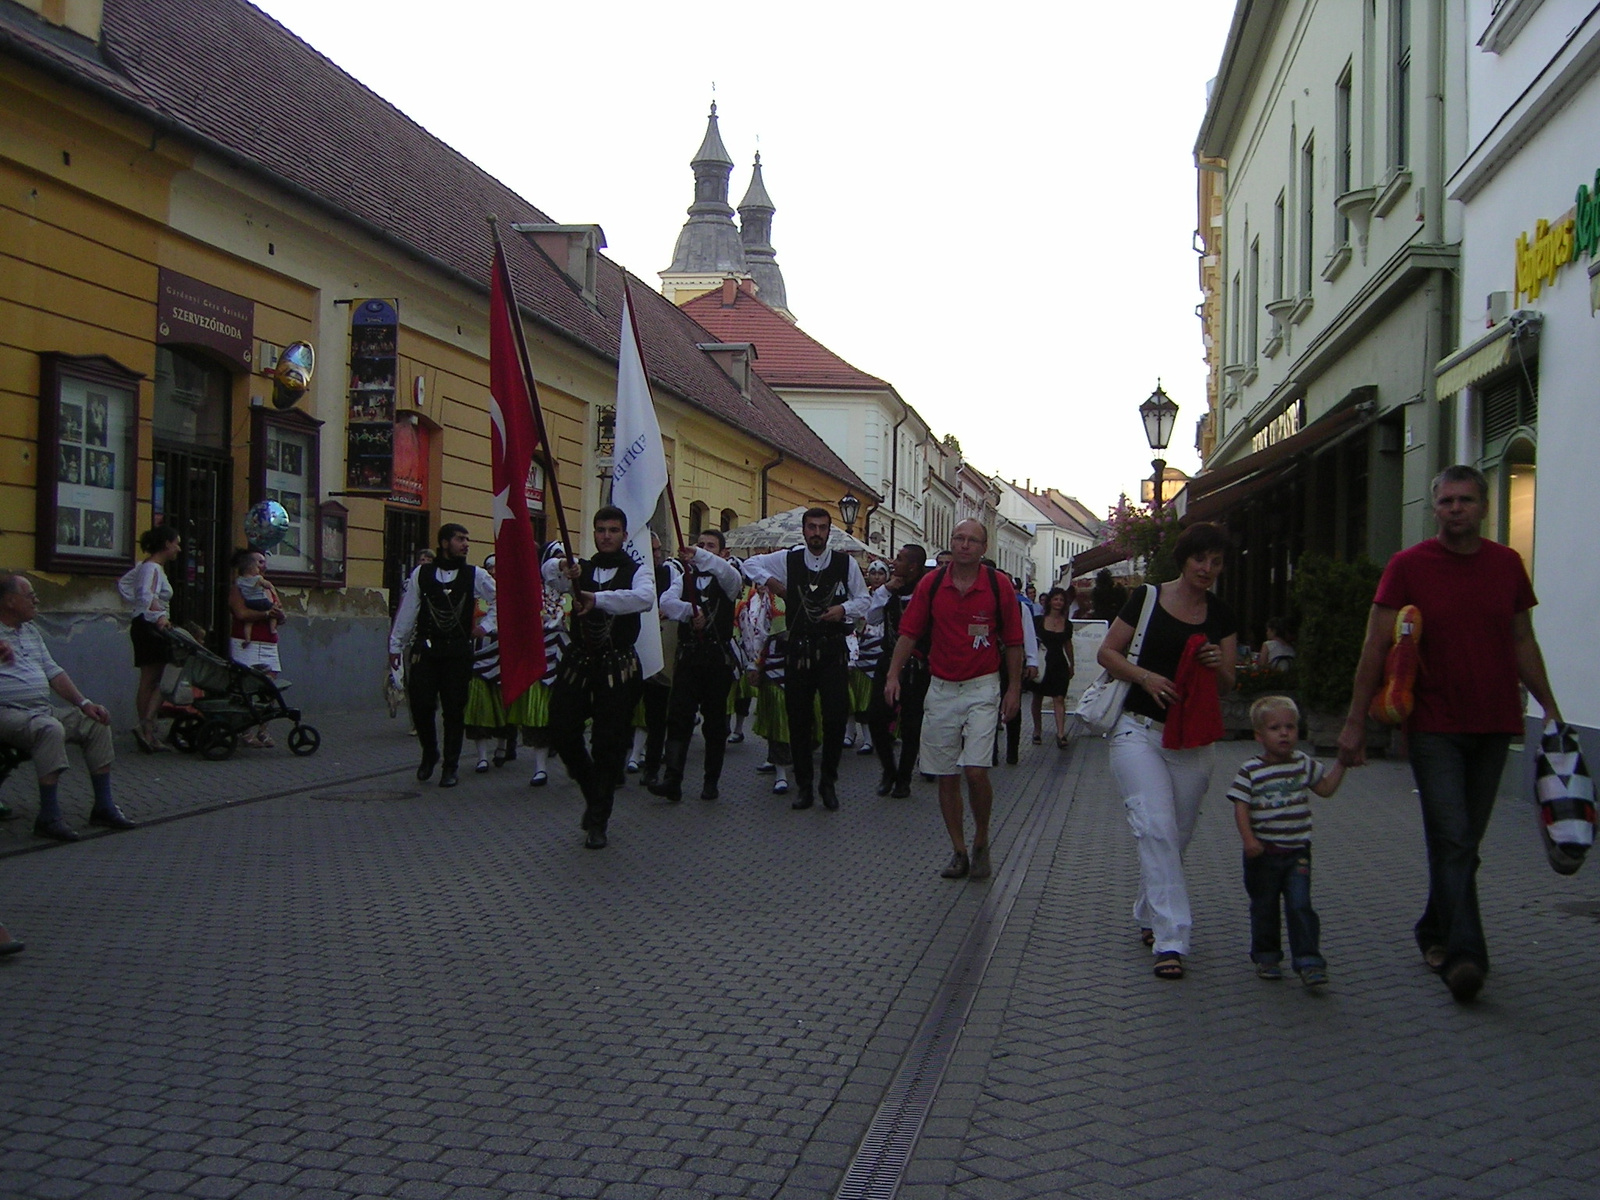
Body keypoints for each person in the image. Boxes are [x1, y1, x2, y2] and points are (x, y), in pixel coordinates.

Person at [1338, 464, 1561, 1003]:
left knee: (1463, 841)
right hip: (1434, 722)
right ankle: (1466, 956)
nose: (1455, 509)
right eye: (1446, 501)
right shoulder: (1408, 566)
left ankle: (1433, 930)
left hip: (1494, 722)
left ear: (1484, 507)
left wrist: (1551, 708)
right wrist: (1354, 720)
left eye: (1465, 500)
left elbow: (1522, 641)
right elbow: (1375, 643)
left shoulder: (1507, 565)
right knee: (1455, 837)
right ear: (1433, 507)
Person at [1096, 522, 1238, 980]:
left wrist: (1218, 665)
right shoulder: (1149, 598)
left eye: (1216, 562)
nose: (1207, 569)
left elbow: (1231, 680)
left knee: (1175, 835)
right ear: (1184, 559)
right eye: (1201, 559)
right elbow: (1107, 653)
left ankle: (1148, 910)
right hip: (1137, 731)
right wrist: (1145, 677)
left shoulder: (1221, 613)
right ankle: (1172, 938)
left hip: (1192, 738)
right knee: (1155, 827)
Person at [884, 519, 1023, 881]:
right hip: (942, 686)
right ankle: (959, 851)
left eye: (972, 540)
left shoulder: (998, 586)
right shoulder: (932, 584)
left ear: (983, 547)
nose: (964, 545)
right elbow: (909, 633)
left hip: (982, 685)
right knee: (946, 775)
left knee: (976, 771)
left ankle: (981, 838)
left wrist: (1014, 690)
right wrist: (892, 675)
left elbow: (1014, 641)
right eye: (958, 538)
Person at [742, 508, 869, 810]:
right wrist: (774, 584)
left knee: (836, 718)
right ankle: (804, 786)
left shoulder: (844, 562)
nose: (816, 532)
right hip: (797, 651)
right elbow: (750, 563)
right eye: (811, 527)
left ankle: (828, 782)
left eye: (822, 527)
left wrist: (843, 610)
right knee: (798, 720)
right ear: (804, 530)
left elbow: (864, 599)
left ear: (829, 531)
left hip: (832, 649)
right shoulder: (789, 559)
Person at [543, 505, 655, 849]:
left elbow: (644, 599)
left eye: (613, 530)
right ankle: (592, 792)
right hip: (578, 663)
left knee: (609, 744)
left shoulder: (638, 571)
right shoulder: (580, 569)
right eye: (601, 529)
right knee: (560, 730)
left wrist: (598, 598)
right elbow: (547, 572)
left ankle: (599, 818)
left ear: (624, 535)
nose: (606, 535)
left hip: (617, 666)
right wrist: (561, 565)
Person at [0, 571, 136, 841]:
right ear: (10, 601)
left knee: (96, 723)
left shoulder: (30, 631)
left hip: (40, 710)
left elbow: (53, 672)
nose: (36, 601)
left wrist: (85, 704)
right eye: (30, 596)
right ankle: (48, 816)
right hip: (8, 712)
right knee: (49, 729)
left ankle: (104, 806)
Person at [1229, 695, 1346, 987]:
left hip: (1297, 852)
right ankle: (1267, 955)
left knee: (1300, 904)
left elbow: (1326, 788)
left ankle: (1309, 960)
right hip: (1263, 853)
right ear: (1259, 735)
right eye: (1275, 728)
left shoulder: (1303, 764)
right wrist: (1248, 840)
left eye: (1290, 727)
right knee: (1264, 905)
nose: (1284, 733)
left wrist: (1342, 763)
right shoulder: (1250, 771)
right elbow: (1241, 806)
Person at [388, 523, 495, 788]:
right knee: (421, 705)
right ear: (445, 542)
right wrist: (395, 646)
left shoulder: (475, 575)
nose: (466, 544)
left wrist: (487, 626)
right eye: (460, 539)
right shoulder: (422, 574)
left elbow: (500, 600)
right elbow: (408, 610)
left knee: (454, 710)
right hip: (425, 649)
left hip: (457, 651)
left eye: (467, 539)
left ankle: (450, 766)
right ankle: (430, 752)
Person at [649, 528, 744, 802]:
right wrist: (691, 612)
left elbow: (730, 578)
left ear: (722, 553)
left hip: (716, 659)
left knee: (714, 722)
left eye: (710, 546)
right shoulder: (683, 577)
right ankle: (672, 779)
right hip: (689, 657)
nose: (703, 550)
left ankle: (710, 781)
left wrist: (699, 555)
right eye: (700, 544)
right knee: (678, 717)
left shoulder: (728, 577)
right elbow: (667, 601)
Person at [866, 543, 928, 797]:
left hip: (917, 666)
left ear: (913, 566)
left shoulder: (925, 591)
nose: (894, 563)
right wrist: (883, 591)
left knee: (912, 725)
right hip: (888, 661)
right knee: (876, 718)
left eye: (900, 559)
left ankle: (904, 778)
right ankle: (888, 770)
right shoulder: (890, 590)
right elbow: (872, 619)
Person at [508, 541, 570, 787]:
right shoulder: (532, 590)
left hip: (566, 658)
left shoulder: (574, 588)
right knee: (539, 717)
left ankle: (570, 764)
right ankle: (540, 768)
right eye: (558, 558)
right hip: (541, 658)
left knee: (567, 718)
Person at [126, 525, 180, 753]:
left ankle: (147, 728)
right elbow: (148, 596)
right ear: (166, 544)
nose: (178, 548)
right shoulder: (152, 569)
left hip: (144, 624)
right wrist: (158, 617)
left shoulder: (145, 567)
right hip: (151, 627)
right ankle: (147, 726)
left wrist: (141, 607)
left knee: (152, 678)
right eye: (176, 543)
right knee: (162, 676)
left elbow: (126, 585)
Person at [228, 548, 287, 749]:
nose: (264, 565)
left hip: (269, 643)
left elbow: (280, 612)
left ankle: (263, 729)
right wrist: (265, 614)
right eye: (259, 562)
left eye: (264, 562)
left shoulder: (268, 588)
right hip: (247, 643)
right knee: (245, 687)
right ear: (249, 565)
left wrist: (279, 616)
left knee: (269, 689)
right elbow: (241, 613)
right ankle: (244, 731)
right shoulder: (239, 586)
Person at [463, 554, 514, 773]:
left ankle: (502, 747)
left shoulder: (509, 595)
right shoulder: (475, 593)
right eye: (490, 568)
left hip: (501, 652)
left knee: (502, 703)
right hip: (477, 652)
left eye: (497, 568)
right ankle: (481, 756)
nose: (493, 572)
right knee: (478, 706)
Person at [633, 533, 676, 784]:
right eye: (652, 550)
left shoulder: (667, 574)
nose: (658, 555)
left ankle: (651, 767)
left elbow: (674, 601)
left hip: (657, 651)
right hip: (630, 653)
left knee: (657, 715)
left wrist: (667, 608)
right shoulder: (628, 573)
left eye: (659, 549)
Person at [847, 560, 890, 754]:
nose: (877, 577)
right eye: (873, 574)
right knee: (856, 696)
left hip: (881, 650)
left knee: (876, 698)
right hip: (861, 650)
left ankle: (876, 735)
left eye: (881, 574)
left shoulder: (891, 597)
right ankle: (854, 734)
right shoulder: (861, 597)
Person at [1033, 587, 1076, 747]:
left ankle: (1061, 733)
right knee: (1037, 696)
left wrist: (1072, 664)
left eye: (1061, 600)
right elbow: (1032, 642)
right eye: (1056, 599)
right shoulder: (1038, 621)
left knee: (1059, 697)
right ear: (1050, 601)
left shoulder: (1067, 624)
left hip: (1059, 663)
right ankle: (1037, 730)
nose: (1058, 602)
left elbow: (1068, 645)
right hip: (1042, 661)